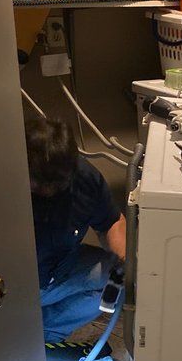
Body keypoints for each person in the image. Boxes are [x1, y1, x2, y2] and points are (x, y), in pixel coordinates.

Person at [25, 117, 126, 344]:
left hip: (58, 274)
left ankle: (45, 335)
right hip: (12, 288)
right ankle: (14, 332)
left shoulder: (84, 179)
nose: (49, 189)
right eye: (41, 184)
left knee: (119, 279)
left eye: (57, 184)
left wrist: (124, 261)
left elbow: (112, 221)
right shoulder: (1, 187)